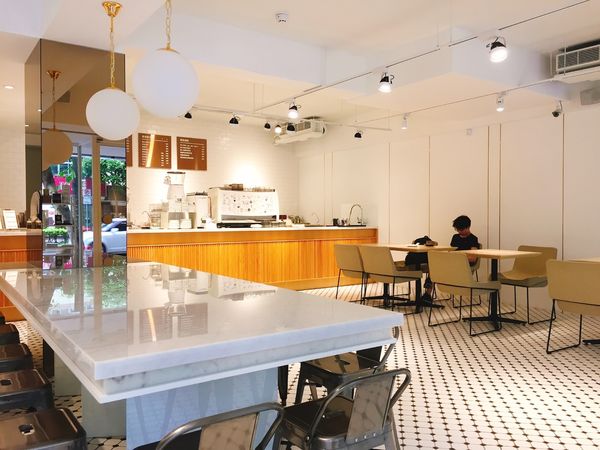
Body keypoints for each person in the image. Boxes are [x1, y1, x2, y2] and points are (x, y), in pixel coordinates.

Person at [420, 215, 479, 304]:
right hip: (453, 263)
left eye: (461, 229)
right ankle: (428, 293)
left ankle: (429, 285)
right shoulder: (455, 237)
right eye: (457, 229)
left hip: (464, 266)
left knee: (436, 268)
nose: (459, 232)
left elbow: (473, 259)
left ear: (468, 227)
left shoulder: (473, 239)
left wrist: (457, 256)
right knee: (434, 265)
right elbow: (451, 252)